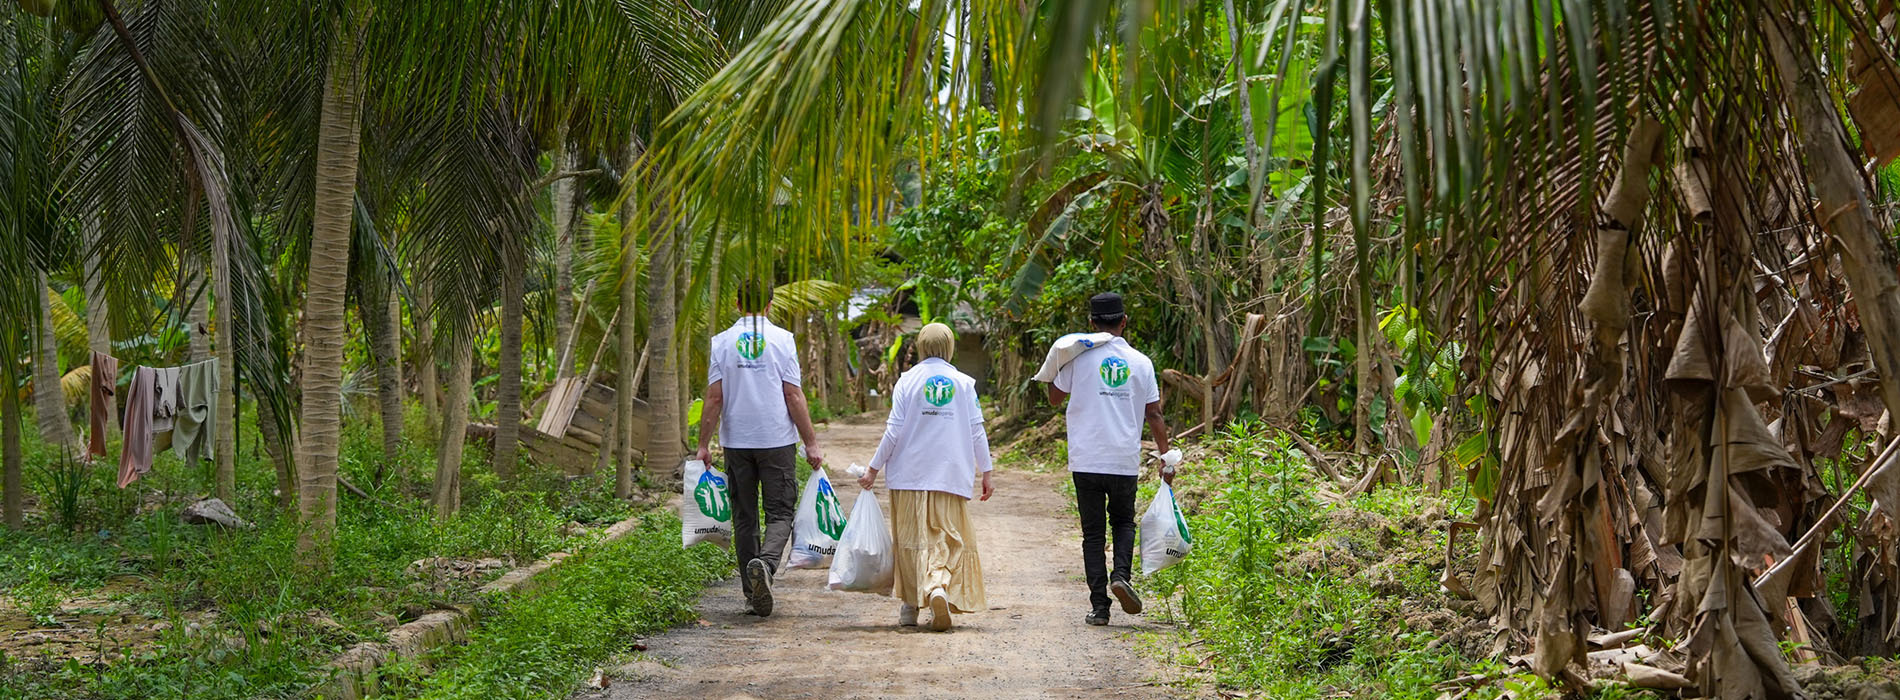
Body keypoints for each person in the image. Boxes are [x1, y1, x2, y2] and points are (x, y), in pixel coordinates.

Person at [695, 279, 826, 618]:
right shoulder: (783, 341)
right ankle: (766, 566)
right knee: (781, 512)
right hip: (777, 441)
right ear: (769, 305)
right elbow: (793, 394)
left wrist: (703, 444)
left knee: (744, 516)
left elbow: (714, 396)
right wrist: (810, 442)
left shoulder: (721, 343)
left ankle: (752, 595)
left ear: (738, 303)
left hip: (737, 442)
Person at [1046, 292, 1174, 626]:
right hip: (1122, 459)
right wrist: (1165, 458)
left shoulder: (1077, 358)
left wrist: (1057, 362)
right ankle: (1121, 575)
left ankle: (1100, 608)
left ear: (1092, 324)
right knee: (1122, 522)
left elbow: (1054, 398)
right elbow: (1155, 414)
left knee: (1092, 534)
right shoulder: (1142, 362)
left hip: (1086, 459)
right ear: (1124, 321)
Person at [858, 323, 992, 632]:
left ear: (920, 346)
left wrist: (873, 468)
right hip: (950, 474)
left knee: (910, 539)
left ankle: (910, 607)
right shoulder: (963, 383)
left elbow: (893, 430)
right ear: (949, 347)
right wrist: (987, 471)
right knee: (945, 537)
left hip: (909, 474)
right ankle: (938, 588)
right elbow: (976, 431)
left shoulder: (907, 381)